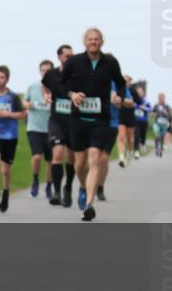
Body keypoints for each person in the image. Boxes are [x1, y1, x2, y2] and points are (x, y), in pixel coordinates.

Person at [58, 28, 127, 221]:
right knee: (79, 164)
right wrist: (72, 95)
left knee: (94, 159)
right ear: (84, 41)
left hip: (100, 120)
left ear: (102, 41)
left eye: (96, 39)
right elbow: (61, 85)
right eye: (90, 39)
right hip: (78, 119)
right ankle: (82, 186)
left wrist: (119, 96)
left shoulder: (110, 63)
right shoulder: (74, 62)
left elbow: (121, 83)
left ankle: (89, 204)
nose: (93, 42)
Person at [0, 66, 26, 213]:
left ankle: (6, 193)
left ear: (7, 79)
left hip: (10, 136)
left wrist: (7, 114)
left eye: (2, 77)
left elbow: (22, 114)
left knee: (6, 169)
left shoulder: (13, 97)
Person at [41, 44, 75, 207]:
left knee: (72, 158)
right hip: (56, 120)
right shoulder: (52, 74)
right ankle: (57, 192)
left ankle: (68, 187)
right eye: (67, 56)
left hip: (74, 121)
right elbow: (44, 84)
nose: (70, 59)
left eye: (72, 56)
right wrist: (46, 96)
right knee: (58, 152)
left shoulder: (78, 75)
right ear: (59, 58)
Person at [96, 80, 133, 201]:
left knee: (104, 158)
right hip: (93, 124)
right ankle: (87, 185)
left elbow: (130, 102)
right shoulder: (94, 78)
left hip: (111, 124)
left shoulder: (118, 84)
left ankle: (100, 187)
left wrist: (120, 100)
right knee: (89, 157)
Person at [23, 60, 54, 199]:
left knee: (51, 161)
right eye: (42, 70)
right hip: (34, 127)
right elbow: (23, 101)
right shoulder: (33, 87)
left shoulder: (57, 88)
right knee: (36, 157)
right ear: (39, 71)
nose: (45, 72)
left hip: (52, 129)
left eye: (48, 70)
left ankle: (48, 186)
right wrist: (28, 105)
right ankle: (35, 180)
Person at [115, 75, 136, 168]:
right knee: (121, 137)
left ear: (130, 82)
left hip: (130, 115)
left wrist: (122, 101)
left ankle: (131, 151)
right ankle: (121, 157)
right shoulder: (116, 88)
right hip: (120, 115)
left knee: (130, 138)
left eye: (127, 81)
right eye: (124, 80)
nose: (125, 82)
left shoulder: (132, 91)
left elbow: (135, 102)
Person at [151, 93, 172, 158]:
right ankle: (157, 148)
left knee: (162, 137)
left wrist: (167, 113)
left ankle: (161, 150)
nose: (161, 99)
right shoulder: (156, 106)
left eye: (162, 98)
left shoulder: (167, 106)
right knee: (157, 135)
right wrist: (154, 114)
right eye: (160, 98)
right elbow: (152, 113)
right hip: (157, 123)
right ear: (158, 99)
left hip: (164, 124)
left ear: (164, 98)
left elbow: (171, 115)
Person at [133, 86, 151, 157]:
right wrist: (138, 106)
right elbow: (132, 106)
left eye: (140, 92)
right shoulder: (133, 100)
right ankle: (136, 151)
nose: (139, 93)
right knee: (136, 135)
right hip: (135, 120)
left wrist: (144, 108)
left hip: (144, 121)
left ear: (143, 93)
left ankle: (143, 143)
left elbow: (150, 109)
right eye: (137, 92)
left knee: (143, 135)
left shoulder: (146, 101)